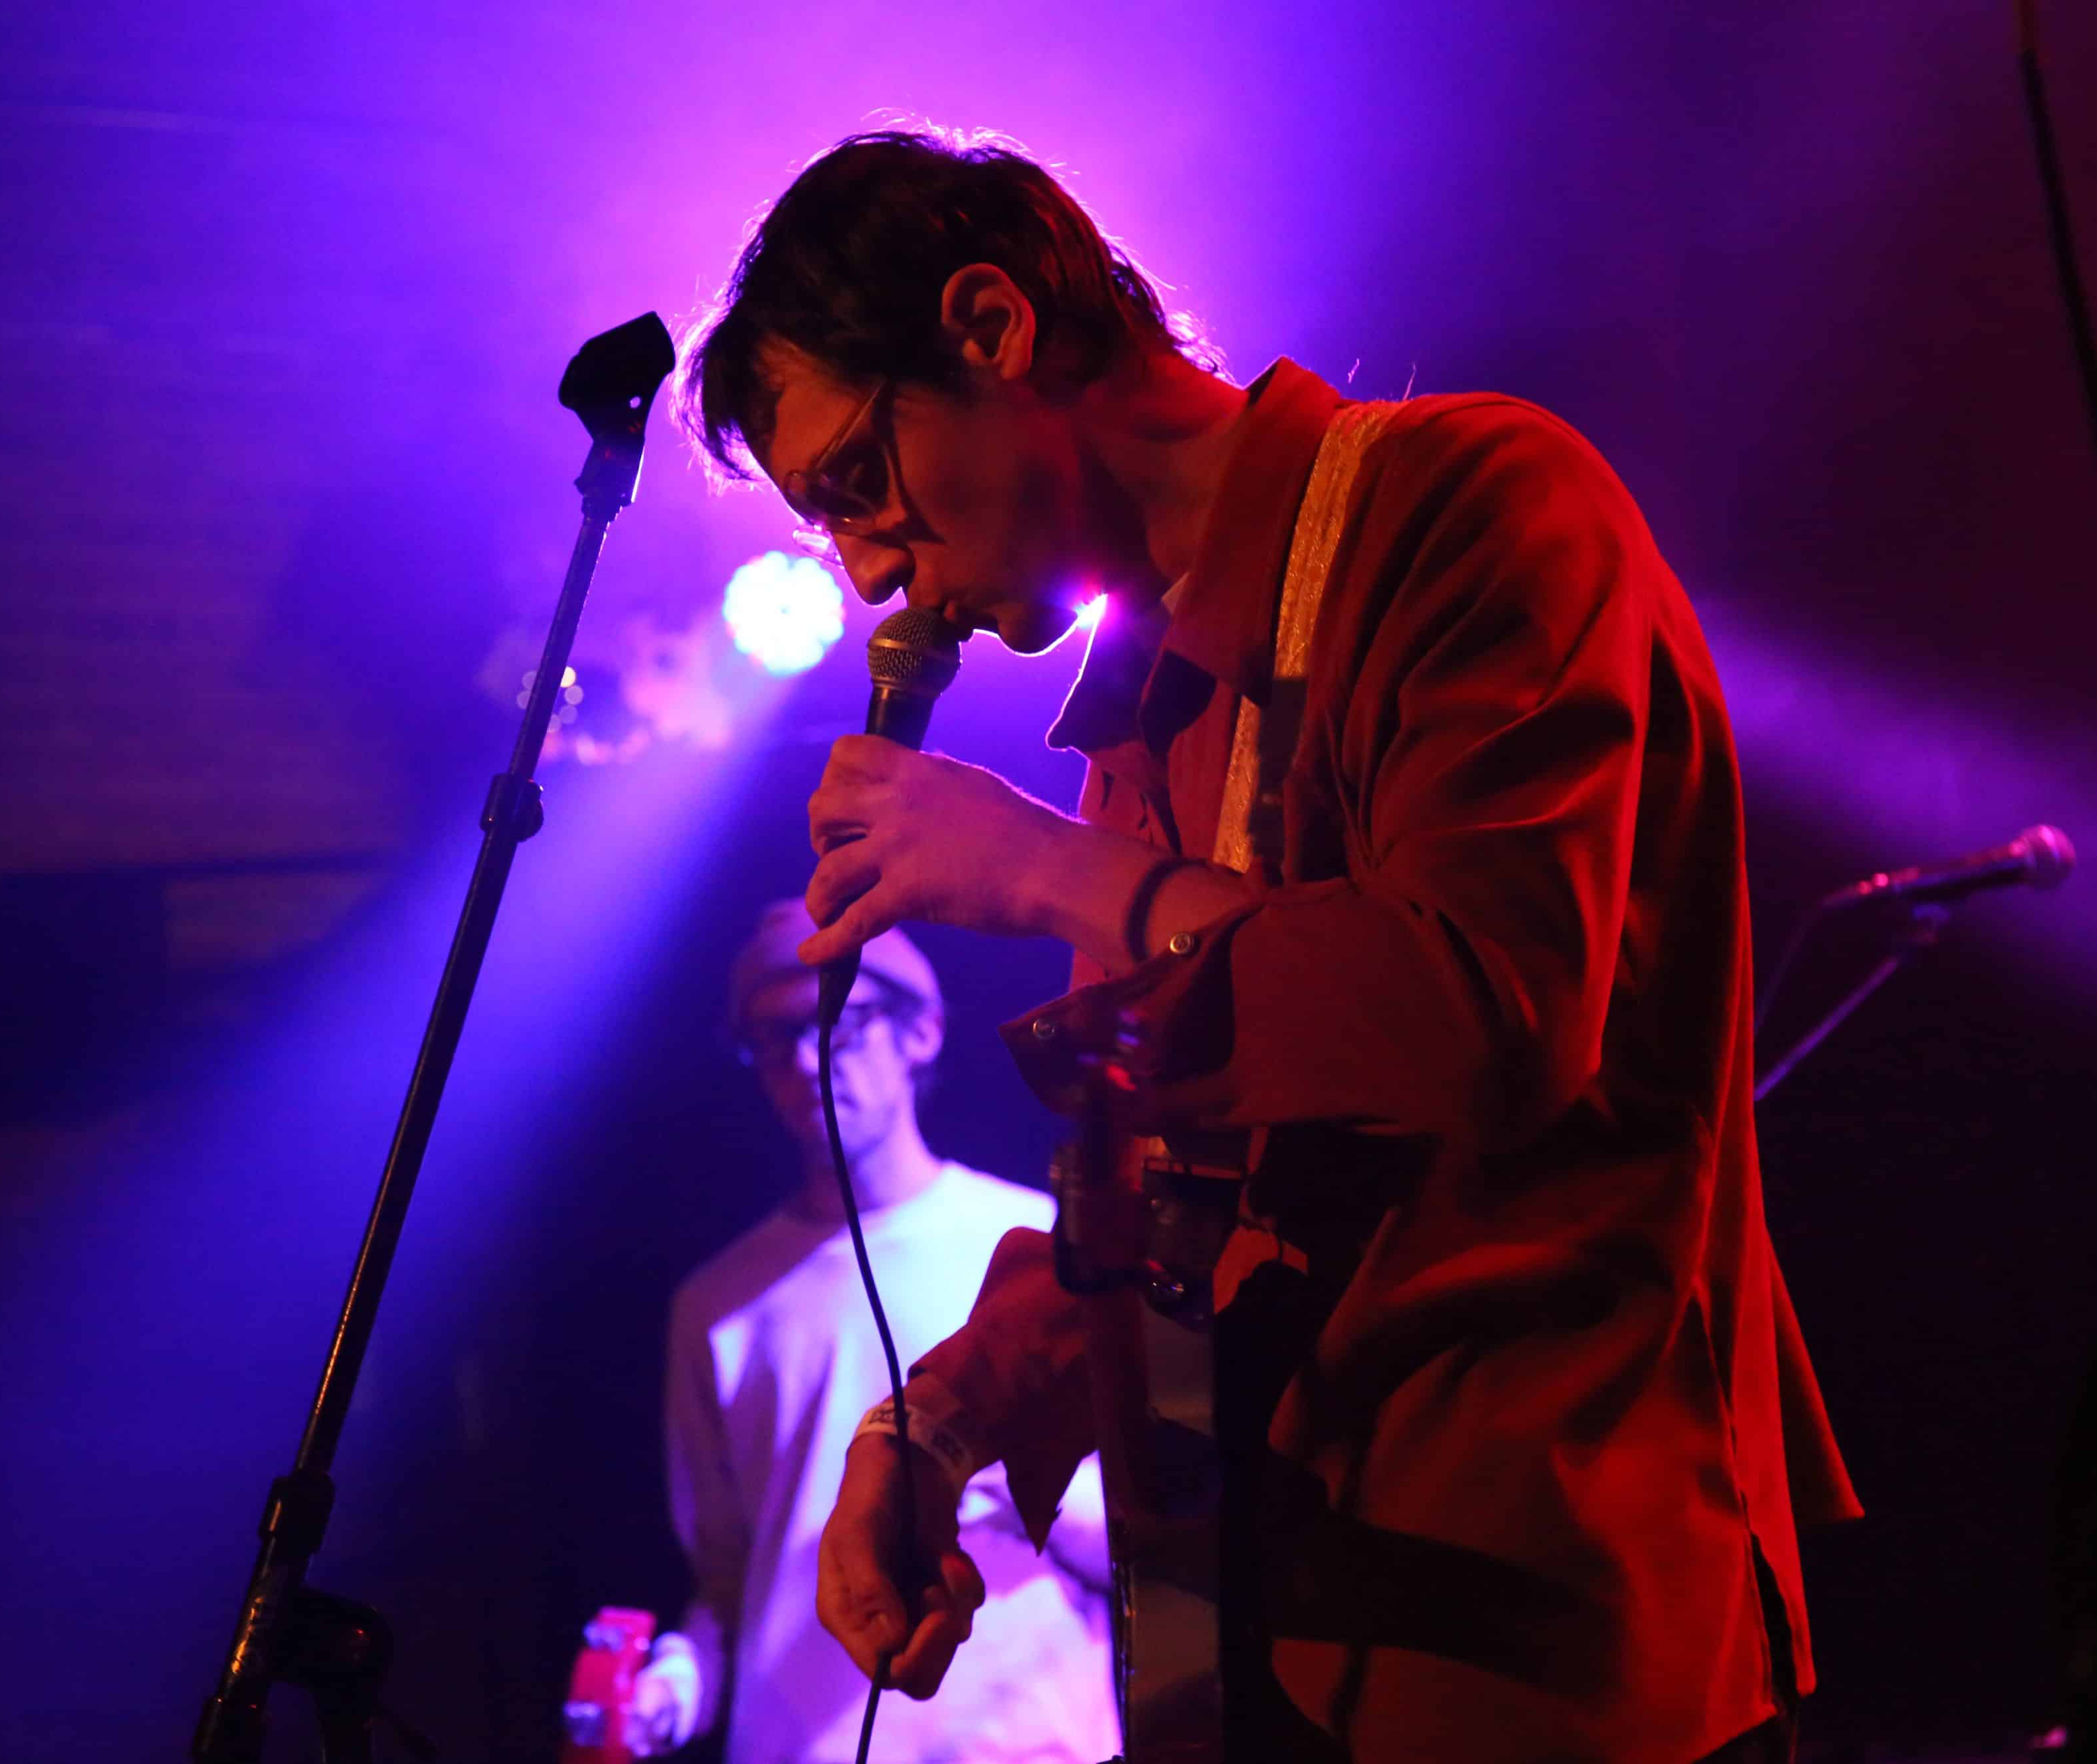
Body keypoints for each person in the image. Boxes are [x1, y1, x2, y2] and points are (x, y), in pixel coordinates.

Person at [677, 127, 1863, 1764]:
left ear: (991, 326)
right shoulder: (1143, 715)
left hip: (1534, 1643)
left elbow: (1481, 1010)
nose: (868, 569)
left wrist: (1050, 871)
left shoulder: (1476, 502)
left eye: (855, 485)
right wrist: (933, 1422)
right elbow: (1161, 1213)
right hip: (1268, 1649)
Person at [618, 900, 1120, 1764]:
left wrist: (1003, 1478)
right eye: (773, 1038)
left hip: (1026, 1745)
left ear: (921, 1031)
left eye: (836, 1024)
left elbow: (1150, 1539)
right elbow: (732, 1585)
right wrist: (670, 1689)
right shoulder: (718, 1303)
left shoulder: (1035, 1245)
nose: (804, 1060)